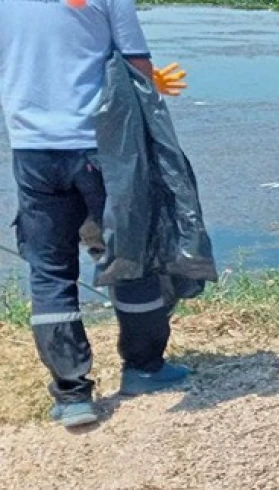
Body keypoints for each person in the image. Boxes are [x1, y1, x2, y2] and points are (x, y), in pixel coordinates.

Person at [1, 0, 190, 427]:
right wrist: (153, 82)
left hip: (32, 151)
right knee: (128, 253)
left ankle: (72, 395)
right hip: (102, 146)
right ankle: (144, 369)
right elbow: (135, 63)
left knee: (49, 270)